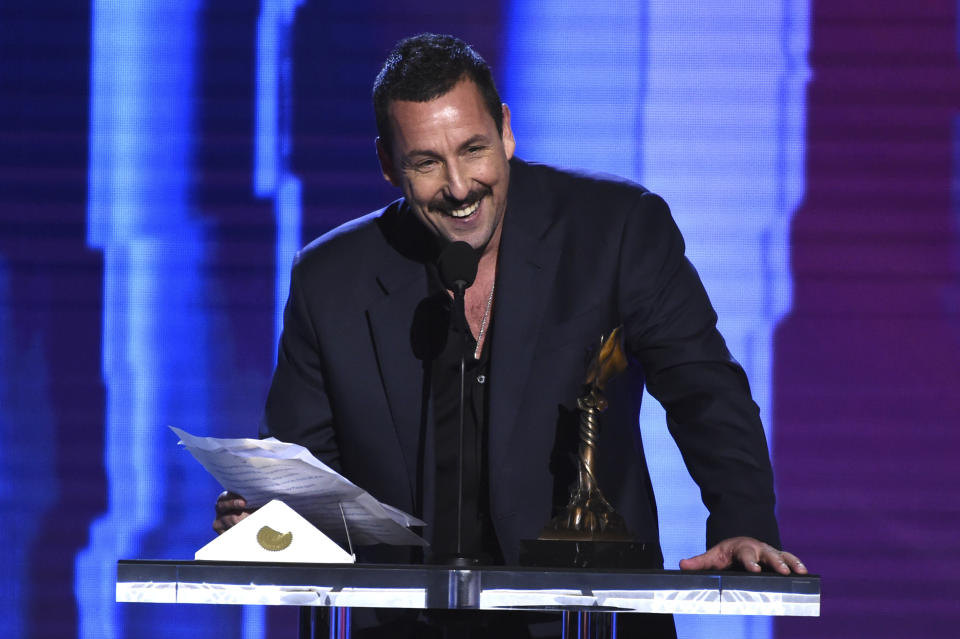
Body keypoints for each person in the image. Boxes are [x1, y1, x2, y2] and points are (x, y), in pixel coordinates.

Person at [214, 33, 806, 637]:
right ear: (388, 165)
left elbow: (704, 390)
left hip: (582, 617)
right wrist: (268, 521)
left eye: (473, 149)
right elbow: (305, 474)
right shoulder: (331, 279)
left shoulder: (615, 231)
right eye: (426, 163)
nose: (460, 186)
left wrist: (743, 520)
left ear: (506, 129)